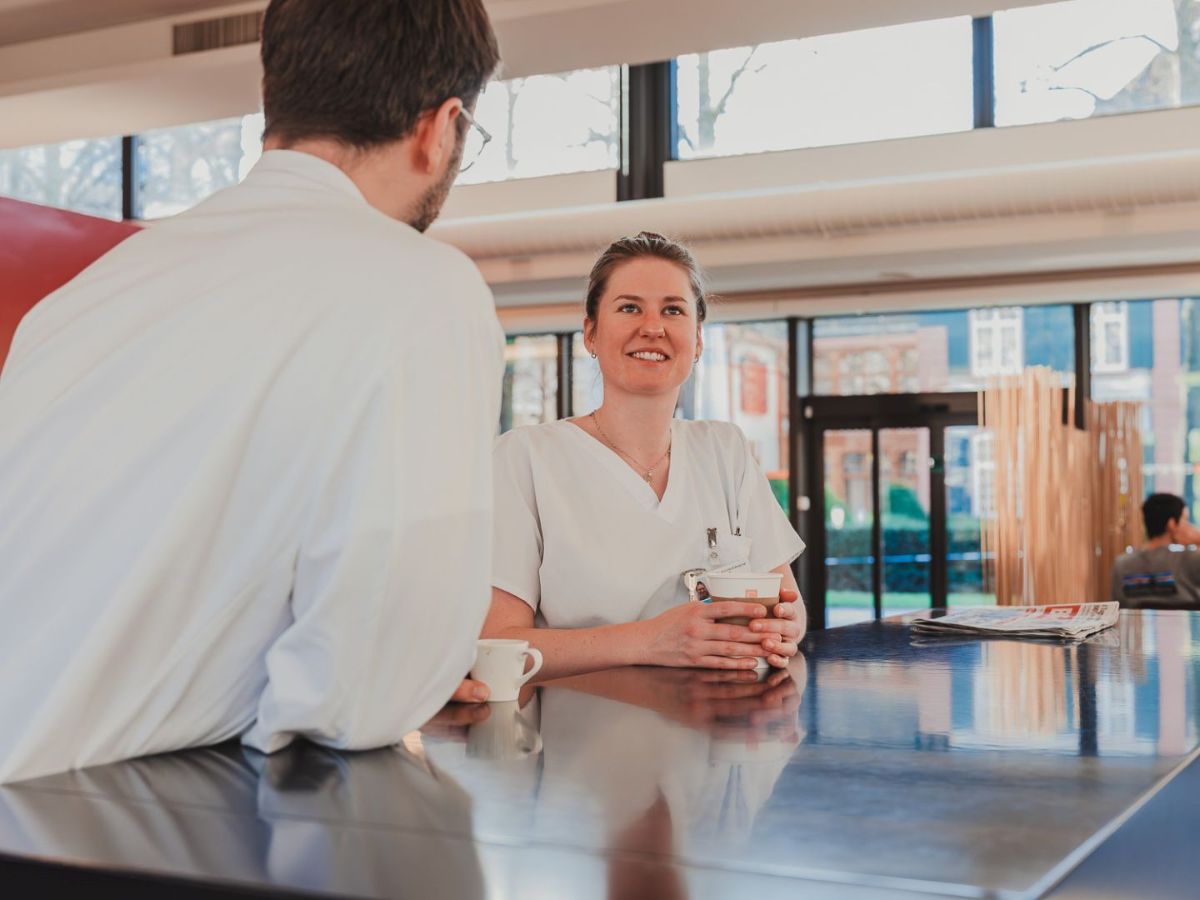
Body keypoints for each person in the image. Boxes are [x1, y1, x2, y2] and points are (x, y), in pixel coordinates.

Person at [0, 0, 503, 785]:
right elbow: (360, 694)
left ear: (279, 99)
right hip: (64, 830)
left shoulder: (79, 301)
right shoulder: (420, 286)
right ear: (441, 129)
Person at [482, 232, 805, 680]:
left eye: (673, 309)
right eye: (629, 307)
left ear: (698, 340)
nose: (653, 327)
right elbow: (496, 645)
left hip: (718, 734)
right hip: (576, 737)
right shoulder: (525, 458)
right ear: (591, 333)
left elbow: (790, 606)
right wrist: (651, 640)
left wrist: (783, 630)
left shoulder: (725, 450)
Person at [1111, 493, 1200, 608]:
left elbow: (1118, 607)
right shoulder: (1190, 559)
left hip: (1137, 624)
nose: (1189, 526)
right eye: (1185, 520)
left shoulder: (1121, 564)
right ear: (1172, 524)